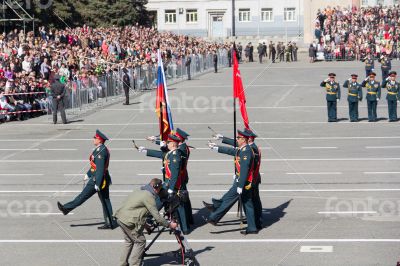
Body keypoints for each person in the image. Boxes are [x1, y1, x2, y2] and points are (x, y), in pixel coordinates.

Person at [57, 130, 116, 229]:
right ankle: (110, 222)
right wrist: (88, 174)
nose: (93, 139)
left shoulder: (100, 152)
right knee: (106, 200)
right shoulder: (102, 149)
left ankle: (66, 208)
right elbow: (95, 166)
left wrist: (97, 183)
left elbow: (100, 169)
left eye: (95, 138)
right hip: (102, 178)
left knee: (82, 196)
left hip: (98, 180)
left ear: (99, 140)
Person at [114, 178, 178, 266]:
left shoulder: (140, 190)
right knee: (140, 241)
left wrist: (146, 226)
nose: (160, 192)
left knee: (129, 241)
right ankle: (134, 264)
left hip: (120, 218)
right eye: (160, 189)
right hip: (128, 221)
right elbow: (157, 217)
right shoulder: (149, 196)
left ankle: (123, 264)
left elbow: (137, 211)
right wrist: (170, 225)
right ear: (156, 187)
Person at [207, 128, 263, 230]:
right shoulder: (246, 148)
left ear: (248, 139)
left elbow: (246, 168)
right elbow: (233, 150)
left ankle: (256, 221)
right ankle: (253, 224)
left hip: (248, 180)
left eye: (239, 137)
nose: (237, 139)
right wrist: (219, 142)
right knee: (248, 202)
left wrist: (241, 183)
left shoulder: (251, 150)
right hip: (244, 179)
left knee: (251, 202)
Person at [138, 134, 191, 234]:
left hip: (173, 185)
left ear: (172, 144)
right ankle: (185, 228)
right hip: (169, 183)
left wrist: (171, 188)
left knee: (167, 202)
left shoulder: (175, 155)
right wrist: (145, 150)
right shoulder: (171, 153)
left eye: (168, 142)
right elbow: (161, 155)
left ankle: (149, 217)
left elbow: (175, 174)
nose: (166, 144)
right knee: (176, 205)